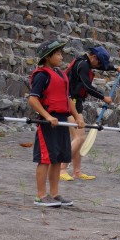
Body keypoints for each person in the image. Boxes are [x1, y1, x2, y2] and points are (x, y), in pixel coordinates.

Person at [28, 39, 85, 207]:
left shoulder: (60, 74)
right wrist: (47, 116)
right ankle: (40, 195)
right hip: (48, 122)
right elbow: (33, 99)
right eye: (58, 54)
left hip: (61, 121)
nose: (61, 57)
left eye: (61, 54)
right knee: (45, 159)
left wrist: (77, 117)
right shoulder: (42, 75)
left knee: (58, 158)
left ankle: (54, 194)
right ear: (48, 57)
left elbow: (67, 99)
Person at [61, 45, 120, 181]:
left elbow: (102, 67)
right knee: (79, 138)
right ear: (94, 57)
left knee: (78, 139)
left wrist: (116, 68)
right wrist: (104, 97)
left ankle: (77, 171)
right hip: (69, 102)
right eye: (99, 62)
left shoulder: (86, 62)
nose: (99, 65)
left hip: (76, 102)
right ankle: (61, 169)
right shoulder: (82, 65)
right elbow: (87, 87)